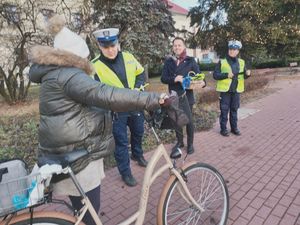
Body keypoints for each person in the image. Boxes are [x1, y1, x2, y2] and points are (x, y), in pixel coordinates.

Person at [28, 15, 167, 225]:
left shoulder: (55, 74)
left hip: (69, 147)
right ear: (75, 56)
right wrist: (154, 99)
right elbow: (106, 94)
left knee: (84, 210)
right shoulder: (69, 75)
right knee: (89, 214)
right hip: (79, 153)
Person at [91, 28, 148, 187]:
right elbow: (95, 92)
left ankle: (138, 155)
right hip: (116, 111)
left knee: (138, 132)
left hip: (134, 105)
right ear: (100, 47)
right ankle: (126, 172)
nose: (110, 50)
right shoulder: (94, 66)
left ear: (118, 43)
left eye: (113, 45)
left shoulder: (129, 57)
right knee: (121, 143)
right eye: (106, 47)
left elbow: (140, 73)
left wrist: (138, 89)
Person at [161, 37, 206, 155]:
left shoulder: (190, 61)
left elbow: (199, 75)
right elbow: (163, 78)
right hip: (173, 96)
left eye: (179, 45)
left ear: (184, 46)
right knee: (176, 120)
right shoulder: (169, 61)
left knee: (189, 121)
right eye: (175, 45)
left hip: (187, 96)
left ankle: (190, 144)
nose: (177, 47)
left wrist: (203, 82)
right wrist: (174, 78)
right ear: (173, 47)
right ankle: (180, 142)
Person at [213, 40, 251, 137]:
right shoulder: (222, 62)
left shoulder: (242, 62)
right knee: (224, 111)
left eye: (234, 49)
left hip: (236, 90)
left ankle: (234, 128)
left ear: (238, 51)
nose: (232, 51)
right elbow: (215, 75)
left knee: (234, 110)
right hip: (225, 91)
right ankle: (223, 129)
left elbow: (244, 75)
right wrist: (226, 75)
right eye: (230, 49)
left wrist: (248, 74)